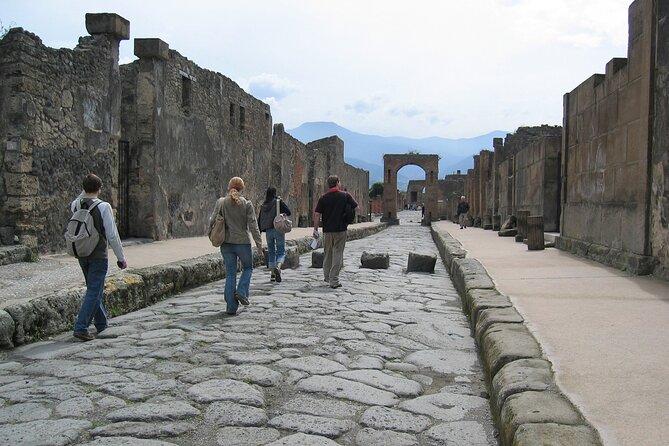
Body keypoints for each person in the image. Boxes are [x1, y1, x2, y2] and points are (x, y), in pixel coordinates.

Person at [71, 173, 127, 341]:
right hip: (98, 254)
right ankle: (81, 327)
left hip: (81, 252)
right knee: (95, 290)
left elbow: (80, 197)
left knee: (93, 288)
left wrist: (84, 190)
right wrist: (120, 257)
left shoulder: (76, 204)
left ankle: (102, 324)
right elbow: (112, 234)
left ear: (84, 188)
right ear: (99, 188)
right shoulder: (103, 207)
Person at [210, 177, 262, 315]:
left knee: (230, 273)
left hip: (226, 243)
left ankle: (231, 307)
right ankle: (242, 291)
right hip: (242, 243)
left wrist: (210, 234)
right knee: (248, 268)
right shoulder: (246, 204)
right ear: (242, 188)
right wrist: (259, 244)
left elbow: (211, 220)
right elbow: (253, 225)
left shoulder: (221, 202)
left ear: (229, 187)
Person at [312, 175, 358, 289]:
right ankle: (334, 280)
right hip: (341, 229)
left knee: (327, 253)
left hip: (327, 230)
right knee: (338, 253)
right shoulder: (345, 195)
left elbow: (317, 214)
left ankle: (327, 276)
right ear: (337, 183)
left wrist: (315, 229)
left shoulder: (323, 198)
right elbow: (357, 208)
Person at [258, 187, 291, 283]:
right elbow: (288, 211)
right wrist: (280, 201)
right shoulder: (277, 202)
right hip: (278, 229)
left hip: (268, 231)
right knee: (281, 252)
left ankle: (272, 274)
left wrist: (259, 234)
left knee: (271, 252)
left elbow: (260, 219)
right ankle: (278, 267)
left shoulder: (263, 205)